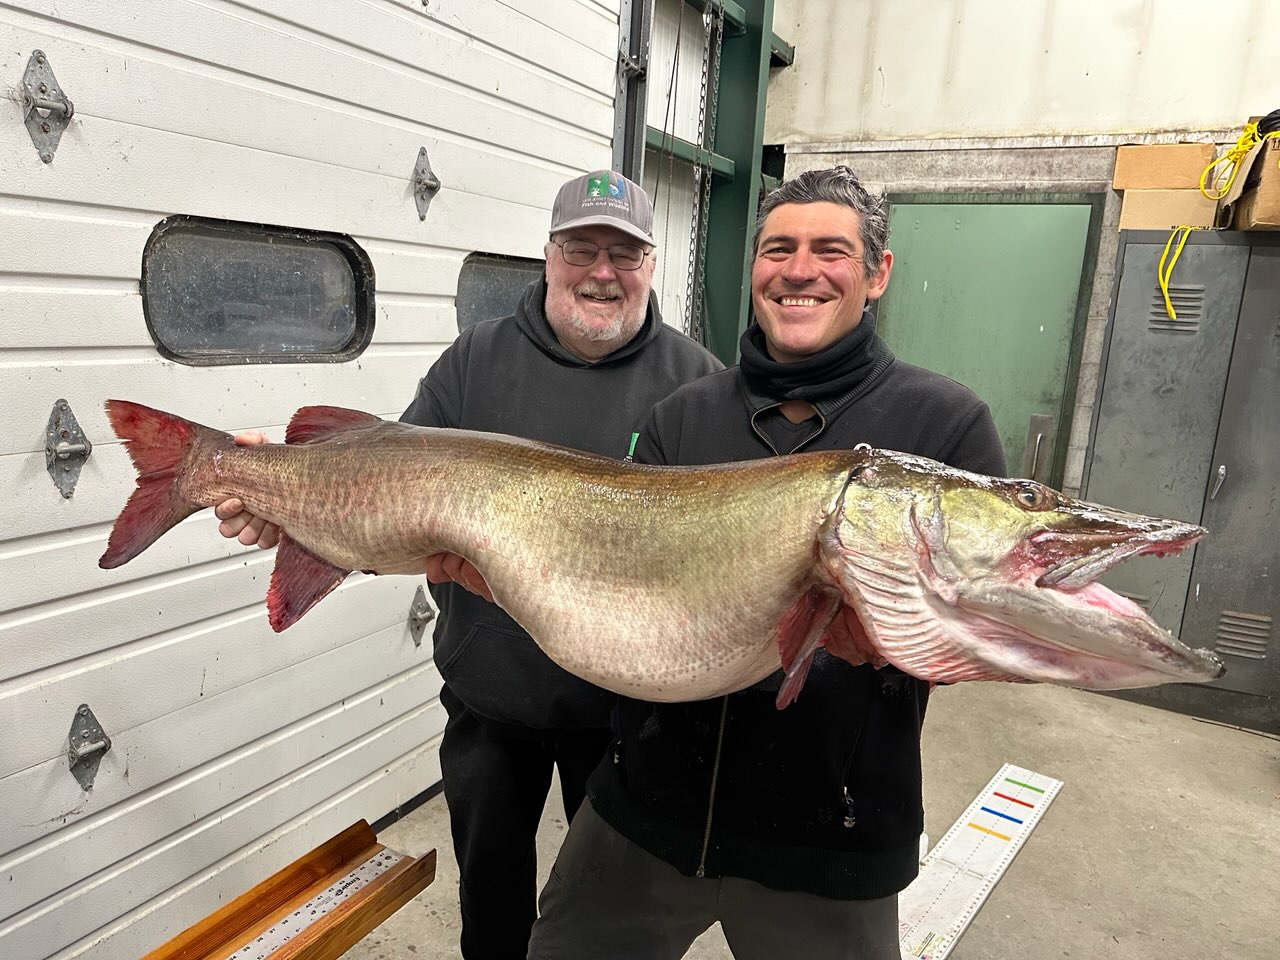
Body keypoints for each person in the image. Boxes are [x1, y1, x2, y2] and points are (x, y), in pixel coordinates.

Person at [213, 170, 722, 960]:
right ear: (547, 256)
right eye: (580, 248)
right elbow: (383, 492)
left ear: (650, 264)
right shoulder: (478, 359)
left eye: (622, 253)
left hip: (631, 714)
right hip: (494, 702)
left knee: (618, 923)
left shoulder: (698, 384)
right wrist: (279, 500)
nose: (600, 271)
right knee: (491, 906)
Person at [524, 166, 1007, 959]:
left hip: (830, 844)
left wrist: (881, 639)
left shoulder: (943, 426)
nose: (799, 271)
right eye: (778, 248)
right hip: (644, 815)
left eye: (831, 251)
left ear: (877, 273)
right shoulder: (683, 416)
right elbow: (631, 588)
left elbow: (970, 626)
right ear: (755, 270)